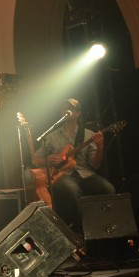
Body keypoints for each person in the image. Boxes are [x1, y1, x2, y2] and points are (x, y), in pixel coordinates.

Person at [33, 98, 115, 232]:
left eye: (70, 108)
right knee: (72, 189)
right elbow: (36, 159)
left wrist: (100, 148)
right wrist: (48, 160)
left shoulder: (89, 134)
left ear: (78, 113)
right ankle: (81, 231)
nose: (66, 110)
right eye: (64, 108)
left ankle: (108, 229)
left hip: (85, 175)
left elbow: (95, 165)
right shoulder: (51, 136)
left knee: (107, 188)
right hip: (62, 175)